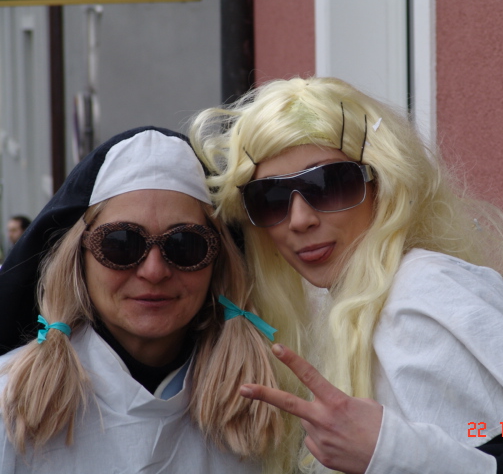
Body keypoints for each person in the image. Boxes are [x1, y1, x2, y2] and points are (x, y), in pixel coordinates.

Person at [190, 77, 503, 474]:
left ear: (382, 185)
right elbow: (481, 431)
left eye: (330, 185)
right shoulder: (333, 299)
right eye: (269, 199)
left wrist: (394, 450)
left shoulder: (422, 295)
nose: (300, 219)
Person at [0, 126, 298, 473]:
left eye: (185, 244)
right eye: (121, 243)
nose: (154, 271)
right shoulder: (9, 402)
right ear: (78, 258)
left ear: (218, 261)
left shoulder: (273, 405)